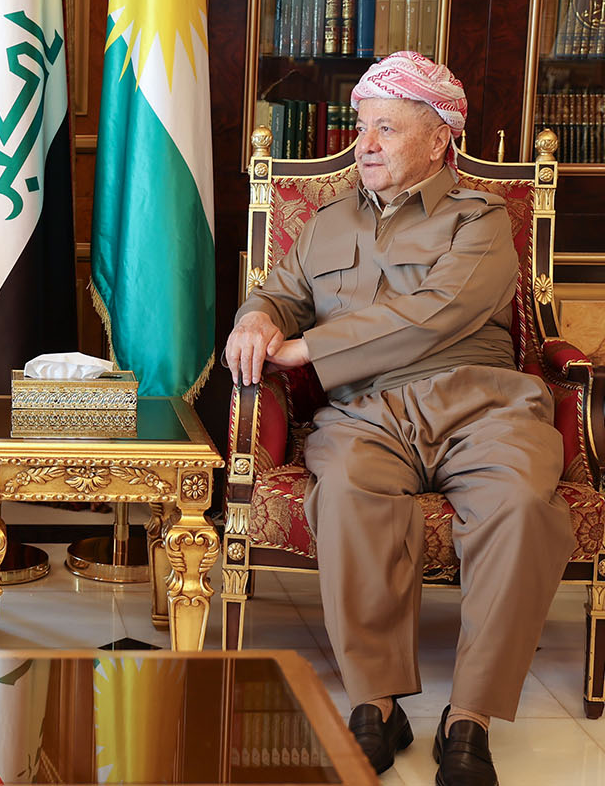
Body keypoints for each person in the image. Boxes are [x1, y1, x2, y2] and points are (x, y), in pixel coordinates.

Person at [224, 52, 573, 786]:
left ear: (440, 140)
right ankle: (376, 704)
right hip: (365, 413)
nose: (365, 143)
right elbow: (278, 293)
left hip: (480, 406)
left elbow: (436, 313)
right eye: (361, 126)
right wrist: (257, 321)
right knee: (346, 488)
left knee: (517, 505)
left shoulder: (480, 222)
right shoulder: (323, 224)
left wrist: (308, 346)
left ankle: (469, 717)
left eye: (386, 128)